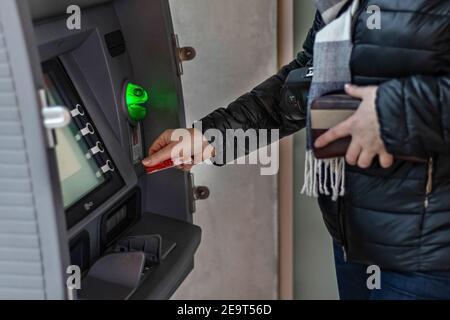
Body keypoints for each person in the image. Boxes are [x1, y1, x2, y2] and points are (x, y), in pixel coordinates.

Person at [144, 0, 450, 300]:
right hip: (355, 237)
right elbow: (307, 77)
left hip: (428, 257)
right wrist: (210, 136)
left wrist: (392, 112)